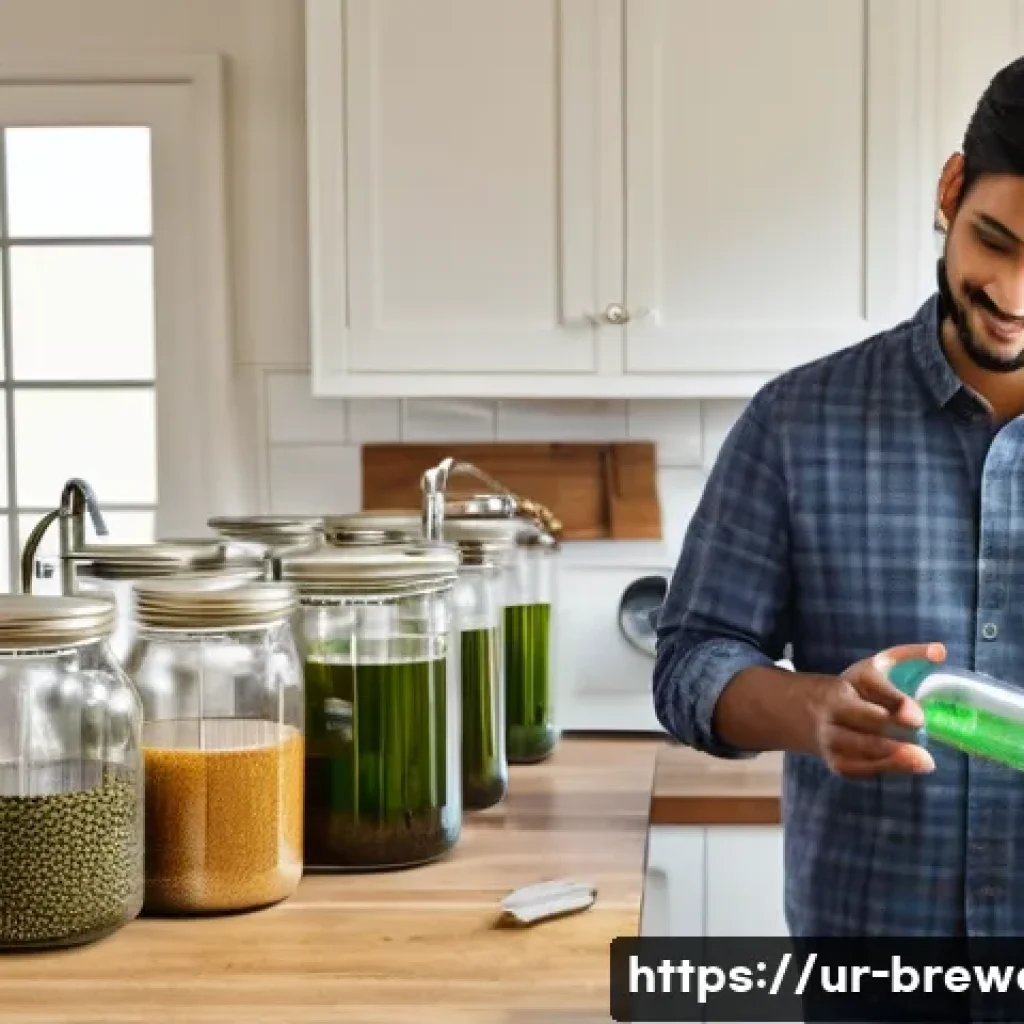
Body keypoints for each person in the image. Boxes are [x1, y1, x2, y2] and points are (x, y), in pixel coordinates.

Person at [654, 53, 1024, 947]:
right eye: (996, 244)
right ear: (949, 193)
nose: (1014, 298)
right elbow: (691, 663)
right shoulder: (797, 422)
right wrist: (816, 709)